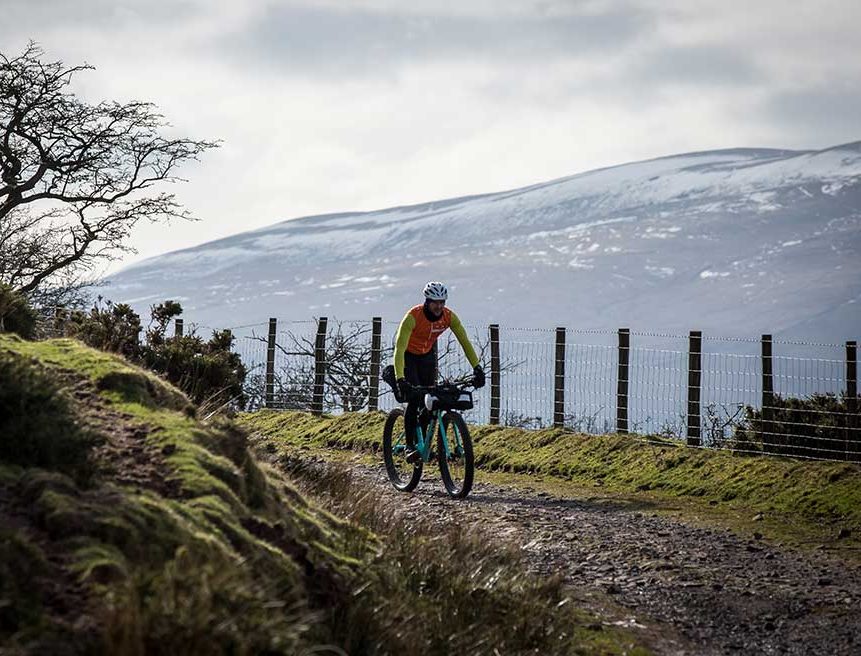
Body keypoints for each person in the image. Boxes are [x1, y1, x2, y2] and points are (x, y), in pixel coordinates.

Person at [394, 281, 485, 462]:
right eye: (435, 302)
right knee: (414, 399)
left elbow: (465, 342)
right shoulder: (413, 316)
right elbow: (399, 348)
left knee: (431, 397)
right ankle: (410, 446)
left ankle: (425, 441)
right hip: (408, 356)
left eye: (442, 302)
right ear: (427, 301)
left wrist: (477, 367)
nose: (439, 306)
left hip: (427, 356)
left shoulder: (449, 317)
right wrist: (400, 379)